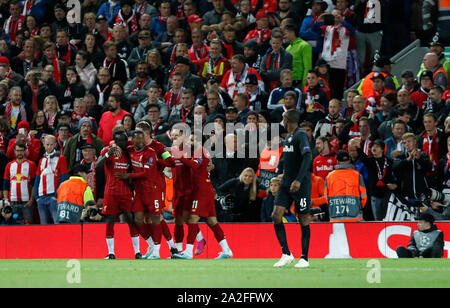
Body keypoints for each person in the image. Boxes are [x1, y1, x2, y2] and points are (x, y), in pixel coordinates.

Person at [172, 134, 233, 260]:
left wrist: (179, 156)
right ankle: (227, 250)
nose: (189, 142)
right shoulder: (199, 152)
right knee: (212, 222)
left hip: (202, 192)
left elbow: (194, 165)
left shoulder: (201, 152)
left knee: (192, 219)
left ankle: (188, 252)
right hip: (204, 190)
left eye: (192, 140)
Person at [272, 109, 312, 268]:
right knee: (276, 215)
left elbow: (307, 156)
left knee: (303, 219)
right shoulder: (288, 137)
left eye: (283, 119)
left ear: (287, 119)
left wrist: (298, 180)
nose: (282, 121)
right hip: (285, 184)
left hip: (300, 185)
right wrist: (279, 173)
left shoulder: (300, 135)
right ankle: (286, 253)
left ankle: (305, 258)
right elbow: (285, 159)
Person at [95, 130, 141, 260]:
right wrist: (108, 153)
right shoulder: (108, 152)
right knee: (110, 221)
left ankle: (137, 252)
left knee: (131, 220)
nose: (123, 143)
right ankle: (111, 253)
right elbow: (97, 166)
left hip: (126, 192)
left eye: (125, 140)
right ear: (115, 141)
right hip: (111, 192)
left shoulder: (129, 153)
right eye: (120, 140)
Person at [324, 150, 368, 222]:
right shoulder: (357, 175)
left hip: (335, 218)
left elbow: (326, 198)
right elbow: (364, 197)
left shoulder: (329, 176)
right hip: (355, 218)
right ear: (349, 160)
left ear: (337, 161)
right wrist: (357, 208)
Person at [34, 135, 69, 225]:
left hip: (53, 197)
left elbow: (64, 178)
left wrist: (56, 195)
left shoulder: (61, 158)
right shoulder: (42, 160)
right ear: (44, 145)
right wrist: (36, 196)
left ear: (55, 145)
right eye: (47, 144)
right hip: (41, 197)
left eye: (51, 145)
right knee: (44, 225)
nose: (49, 147)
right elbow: (38, 178)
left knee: (57, 224)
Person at [3, 141, 37, 225]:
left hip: (27, 203)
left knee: (28, 226)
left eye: (21, 150)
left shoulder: (31, 165)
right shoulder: (9, 165)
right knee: (13, 227)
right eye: (17, 150)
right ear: (14, 151)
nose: (19, 152)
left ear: (25, 151)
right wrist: (6, 201)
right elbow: (6, 184)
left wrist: (31, 200)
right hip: (13, 203)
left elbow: (34, 184)